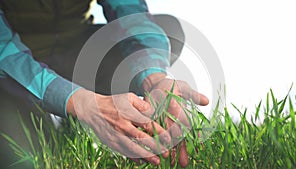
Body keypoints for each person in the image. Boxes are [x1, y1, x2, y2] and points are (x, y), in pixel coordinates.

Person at [0, 0, 209, 168]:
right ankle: (40, 114)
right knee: (25, 160)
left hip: (77, 50)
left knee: (166, 29)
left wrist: (153, 78)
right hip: (10, 73)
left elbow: (130, 13)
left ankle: (104, 112)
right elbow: (4, 51)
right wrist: (79, 103)